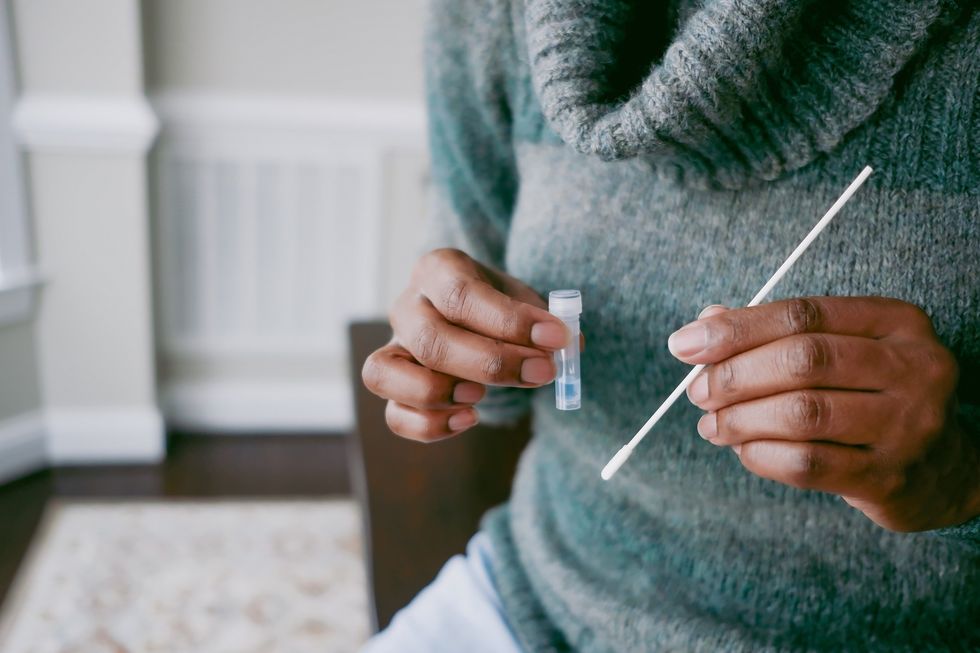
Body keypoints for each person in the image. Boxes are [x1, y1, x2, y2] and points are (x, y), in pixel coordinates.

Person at [361, 0, 980, 650]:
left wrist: (959, 481)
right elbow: (488, 358)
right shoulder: (492, 14)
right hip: (536, 605)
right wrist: (458, 357)